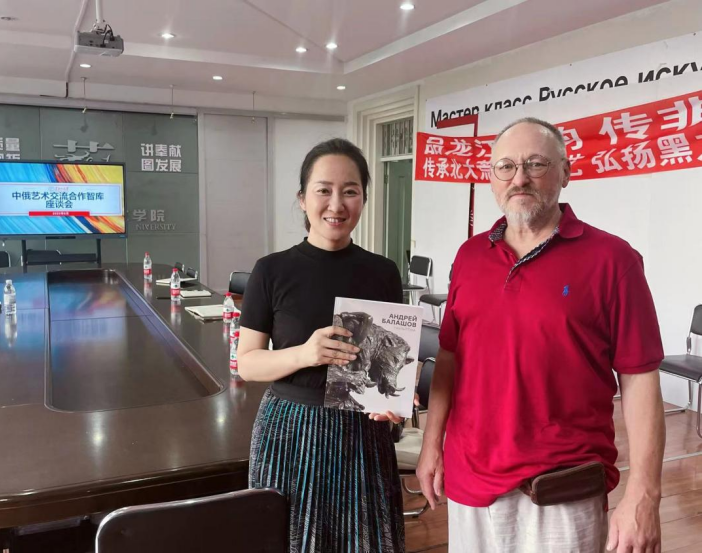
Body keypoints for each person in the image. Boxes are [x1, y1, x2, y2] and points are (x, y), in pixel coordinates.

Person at [416, 117, 666, 553]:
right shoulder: (470, 256)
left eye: (535, 164)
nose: (519, 178)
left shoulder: (613, 260)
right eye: (506, 166)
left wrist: (644, 494)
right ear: (492, 177)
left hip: (561, 489)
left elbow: (640, 377)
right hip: (470, 479)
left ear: (565, 173)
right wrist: (431, 443)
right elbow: (450, 356)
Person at [237, 138, 406, 553]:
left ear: (363, 199)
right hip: (290, 430)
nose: (336, 204)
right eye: (323, 190)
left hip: (362, 432)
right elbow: (248, 363)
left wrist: (393, 403)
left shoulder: (383, 272)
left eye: (350, 191)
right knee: (293, 540)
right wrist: (305, 354)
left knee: (365, 541)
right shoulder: (271, 271)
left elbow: (387, 361)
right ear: (302, 199)